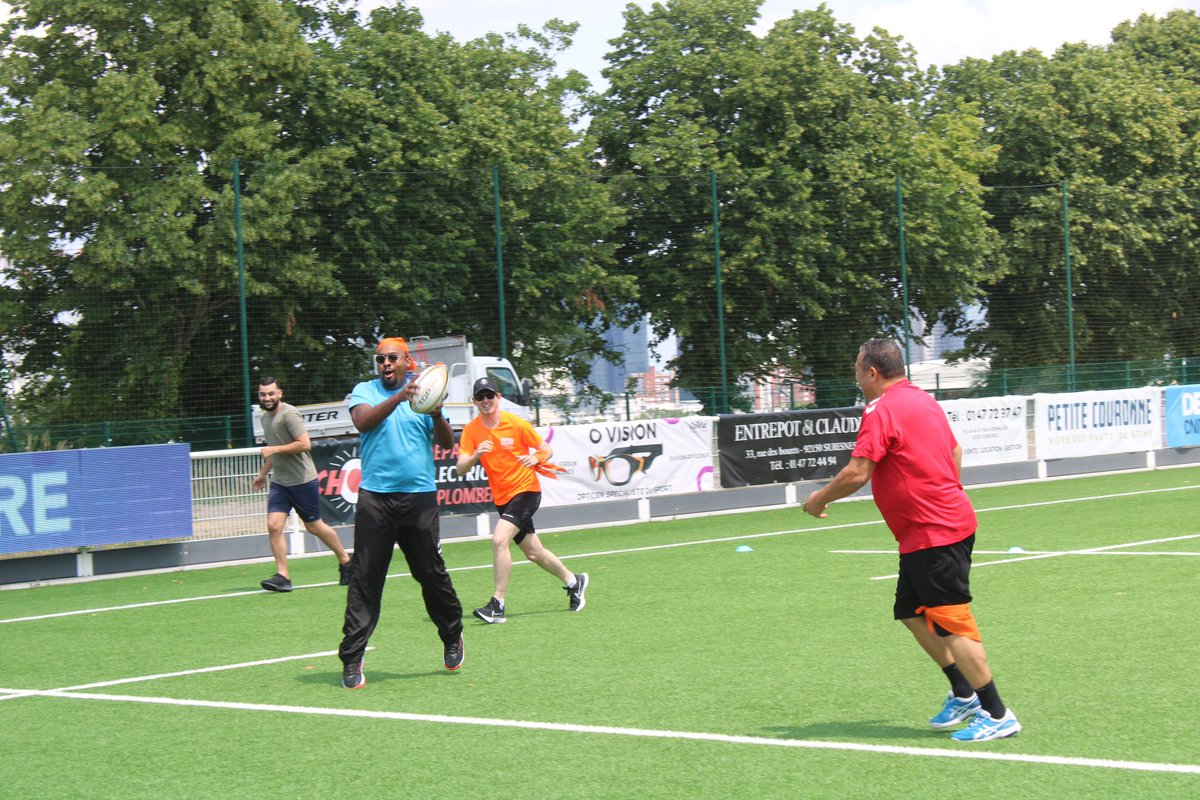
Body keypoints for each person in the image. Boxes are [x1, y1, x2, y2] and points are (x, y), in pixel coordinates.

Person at [801, 339, 1020, 742]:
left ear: (872, 372)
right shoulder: (923, 400)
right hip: (929, 531)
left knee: (953, 624)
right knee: (909, 609)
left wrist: (818, 499)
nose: (856, 375)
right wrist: (945, 491)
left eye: (856, 368)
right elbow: (955, 451)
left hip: (934, 533)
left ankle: (997, 713)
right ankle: (964, 690)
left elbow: (857, 472)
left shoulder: (880, 409)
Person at [338, 337, 464, 689]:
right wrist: (400, 397)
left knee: (429, 573)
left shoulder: (425, 395)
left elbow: (446, 443)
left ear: (407, 361)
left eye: (392, 358)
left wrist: (436, 411)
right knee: (364, 579)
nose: (386, 364)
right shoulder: (365, 391)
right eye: (380, 359)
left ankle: (452, 634)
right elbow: (363, 423)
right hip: (376, 500)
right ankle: (352, 659)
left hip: (419, 500)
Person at [456, 377, 588, 624]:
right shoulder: (472, 430)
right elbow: (461, 469)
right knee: (534, 553)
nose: (485, 400)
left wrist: (537, 458)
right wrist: (475, 454)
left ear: (498, 397)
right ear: (474, 401)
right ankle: (574, 581)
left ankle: (498, 604)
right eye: (480, 397)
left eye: (489, 395)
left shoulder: (515, 424)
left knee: (499, 539)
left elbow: (546, 449)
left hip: (526, 490)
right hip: (503, 497)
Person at [252, 377, 352, 592]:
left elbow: (305, 444)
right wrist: (262, 474)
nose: (267, 398)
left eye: (271, 393)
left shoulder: (289, 414)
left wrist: (274, 450)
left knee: (314, 526)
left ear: (280, 393)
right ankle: (283, 576)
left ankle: (346, 561)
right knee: (273, 525)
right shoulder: (264, 419)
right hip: (280, 482)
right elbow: (273, 449)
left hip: (303, 481)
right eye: (263, 394)